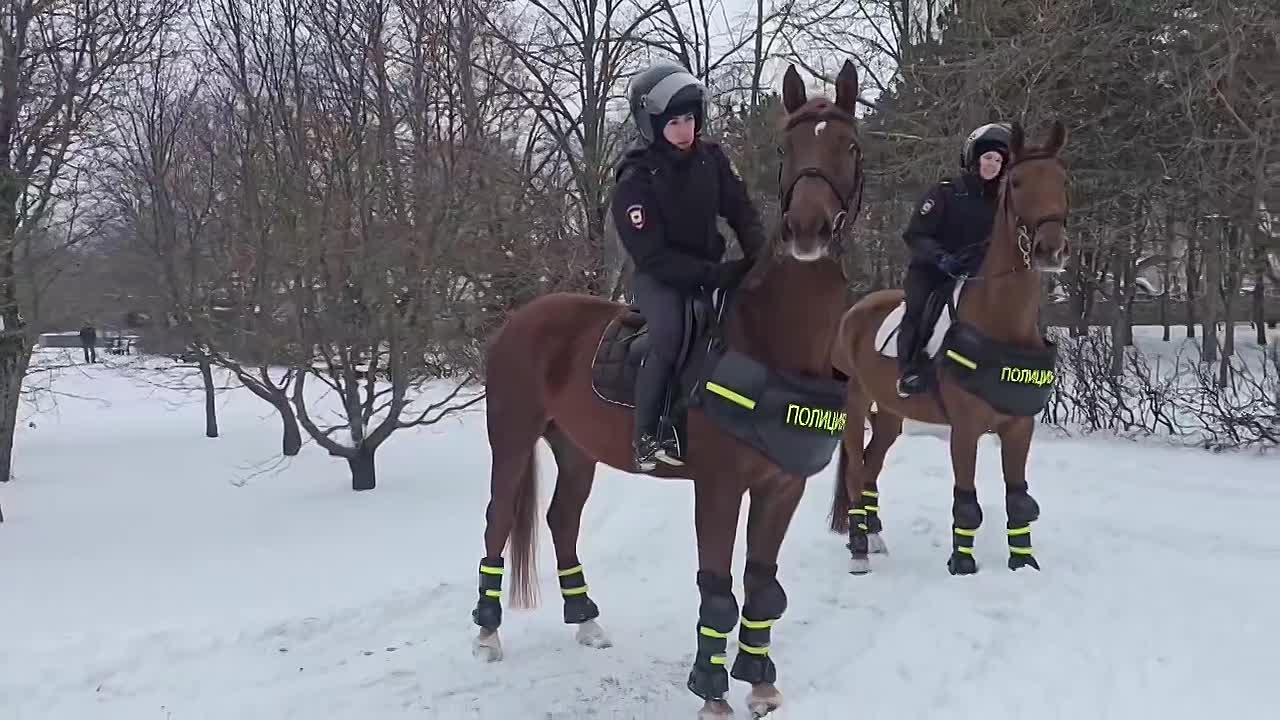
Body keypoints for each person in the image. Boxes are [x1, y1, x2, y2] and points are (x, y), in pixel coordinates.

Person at [610, 60, 768, 471]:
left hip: (708, 269)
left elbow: (743, 212)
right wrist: (715, 276)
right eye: (674, 121)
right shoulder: (636, 180)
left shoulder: (711, 159)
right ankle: (649, 432)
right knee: (672, 334)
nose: (685, 129)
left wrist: (762, 260)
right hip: (660, 279)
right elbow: (653, 256)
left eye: (690, 118)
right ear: (651, 124)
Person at [896, 122, 1012, 397]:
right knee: (919, 309)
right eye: (988, 158)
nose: (993, 164)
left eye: (998, 160)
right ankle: (909, 370)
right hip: (932, 272)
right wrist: (942, 258)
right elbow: (915, 235)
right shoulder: (945, 192)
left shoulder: (1002, 203)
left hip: (976, 276)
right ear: (974, 158)